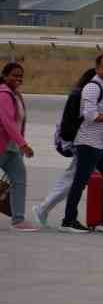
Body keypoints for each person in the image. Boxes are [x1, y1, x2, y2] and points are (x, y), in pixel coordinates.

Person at [60, 54, 103, 234]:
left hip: (101, 143)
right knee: (80, 182)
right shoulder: (92, 87)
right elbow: (90, 115)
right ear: (97, 68)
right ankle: (68, 221)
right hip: (87, 142)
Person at [31, 68, 98, 229]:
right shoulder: (79, 96)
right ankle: (44, 209)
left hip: (83, 140)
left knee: (72, 178)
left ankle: (46, 209)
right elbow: (71, 123)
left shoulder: (84, 94)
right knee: (72, 180)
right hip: (78, 141)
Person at [1, 62, 41, 231]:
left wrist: (19, 145)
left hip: (11, 148)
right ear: (4, 76)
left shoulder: (15, 95)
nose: (18, 78)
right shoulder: (3, 94)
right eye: (14, 75)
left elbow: (18, 124)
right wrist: (23, 144)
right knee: (19, 181)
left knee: (19, 181)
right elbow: (8, 123)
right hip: (3, 145)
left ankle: (18, 220)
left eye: (20, 76)